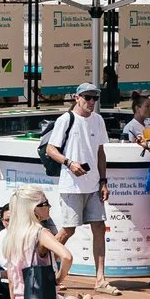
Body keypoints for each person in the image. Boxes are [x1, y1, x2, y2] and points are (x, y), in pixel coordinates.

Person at [41, 84, 111, 286]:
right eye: (87, 97)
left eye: (95, 98)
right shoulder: (66, 119)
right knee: (68, 230)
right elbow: (50, 150)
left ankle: (100, 279)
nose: (91, 102)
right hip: (71, 185)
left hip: (93, 184)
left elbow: (100, 153)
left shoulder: (98, 120)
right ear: (76, 97)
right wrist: (69, 163)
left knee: (99, 227)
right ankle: (42, 264)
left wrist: (103, 181)